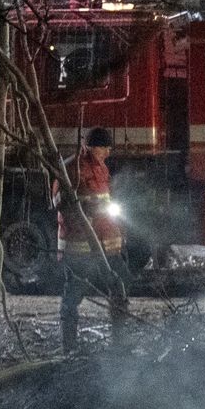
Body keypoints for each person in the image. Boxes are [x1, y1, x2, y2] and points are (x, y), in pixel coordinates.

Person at [56, 127, 129, 352]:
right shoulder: (71, 169)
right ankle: (69, 346)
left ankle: (120, 343)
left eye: (109, 148)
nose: (107, 152)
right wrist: (84, 208)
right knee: (74, 294)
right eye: (104, 147)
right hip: (80, 247)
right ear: (90, 146)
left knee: (119, 286)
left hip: (107, 245)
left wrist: (119, 234)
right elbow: (59, 202)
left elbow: (107, 202)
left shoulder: (102, 169)